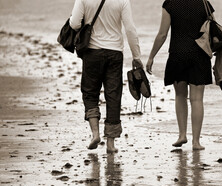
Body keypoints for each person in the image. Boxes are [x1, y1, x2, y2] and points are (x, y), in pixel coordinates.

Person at [70, 0, 143, 153]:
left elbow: (75, 24)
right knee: (113, 95)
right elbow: (130, 29)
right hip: (114, 53)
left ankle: (95, 134)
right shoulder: (122, 0)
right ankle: (110, 143)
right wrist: (136, 56)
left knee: (90, 93)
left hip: (92, 52)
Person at [146, 0, 214, 150]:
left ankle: (182, 135)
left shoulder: (170, 3)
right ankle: (196, 142)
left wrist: (151, 56)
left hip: (178, 54)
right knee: (197, 99)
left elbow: (162, 34)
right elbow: (213, 29)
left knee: (180, 96)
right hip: (199, 55)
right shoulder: (204, 3)